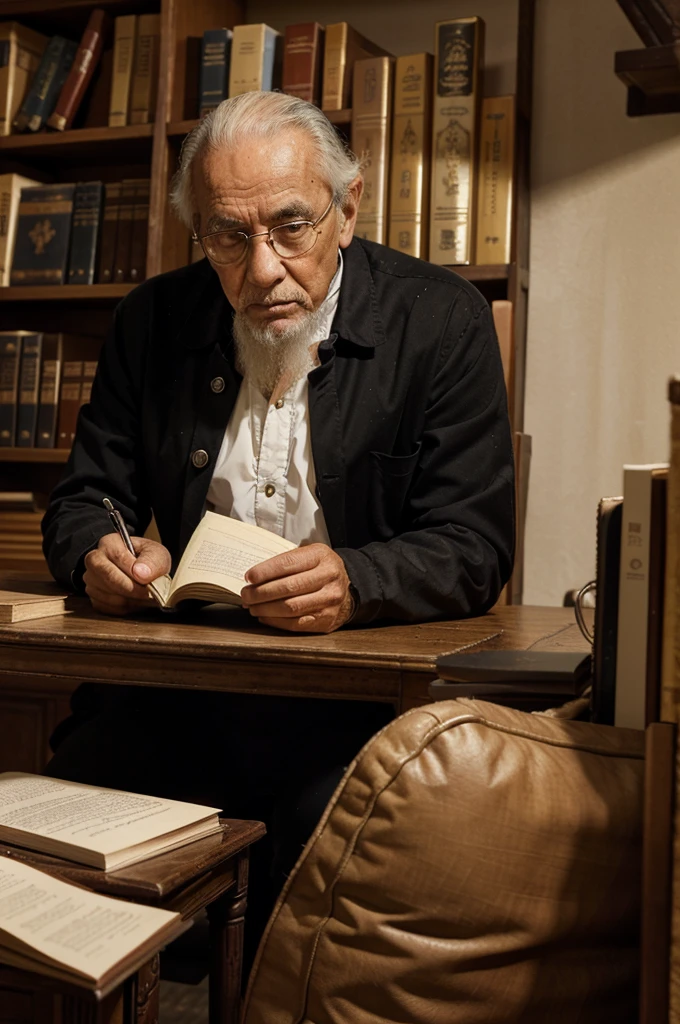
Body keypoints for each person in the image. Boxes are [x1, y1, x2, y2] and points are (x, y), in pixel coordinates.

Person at [41, 90, 515, 962]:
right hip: (175, 695)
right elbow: (81, 499)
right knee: (65, 807)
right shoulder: (151, 320)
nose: (262, 271)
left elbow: (473, 546)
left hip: (351, 714)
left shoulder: (442, 320)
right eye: (228, 237)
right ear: (199, 232)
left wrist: (358, 580)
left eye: (290, 227)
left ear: (350, 207)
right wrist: (99, 555)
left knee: (321, 836)